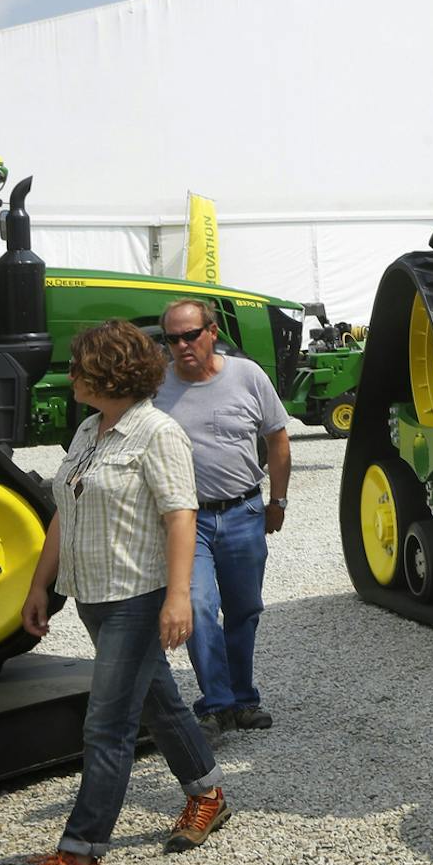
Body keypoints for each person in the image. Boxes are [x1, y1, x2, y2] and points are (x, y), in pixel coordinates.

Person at [4, 320, 230, 865]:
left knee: (107, 726)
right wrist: (40, 585)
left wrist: (179, 596)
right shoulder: (89, 428)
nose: (70, 375)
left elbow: (182, 514)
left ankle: (80, 855)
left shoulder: (157, 433)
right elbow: (64, 506)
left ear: (109, 374)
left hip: (136, 597)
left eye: (79, 366)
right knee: (158, 699)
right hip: (93, 596)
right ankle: (209, 792)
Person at [155, 297, 290, 734]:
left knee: (244, 609)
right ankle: (216, 703)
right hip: (186, 520)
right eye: (172, 338)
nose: (181, 345)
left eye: (190, 335)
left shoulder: (247, 376)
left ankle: (242, 699)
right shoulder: (157, 387)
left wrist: (278, 502)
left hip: (244, 510)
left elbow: (278, 439)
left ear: (212, 332)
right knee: (196, 604)